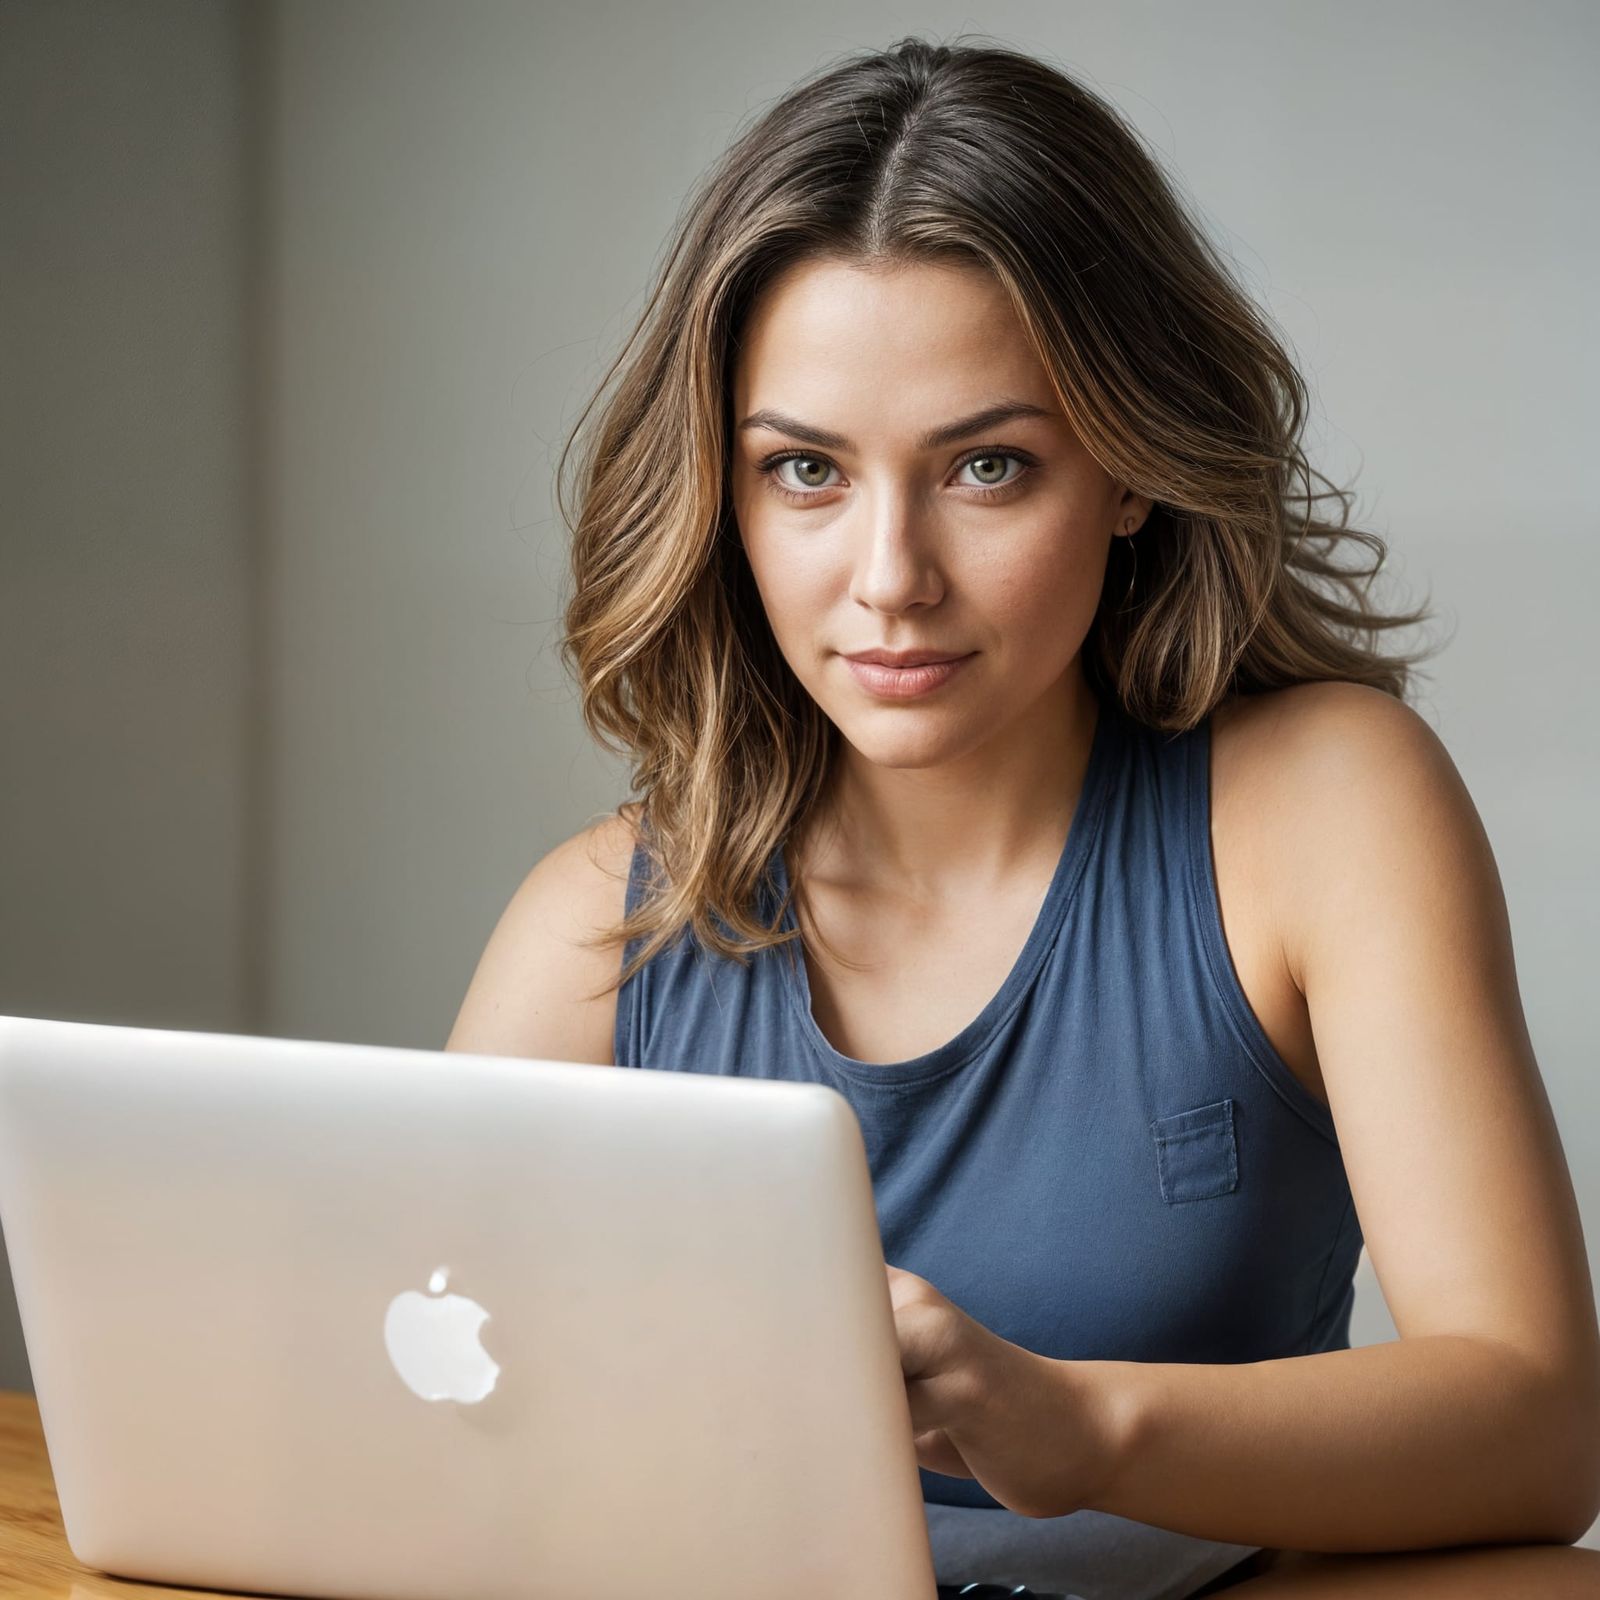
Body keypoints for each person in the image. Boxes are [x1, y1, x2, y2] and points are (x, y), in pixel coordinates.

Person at [446, 33, 1600, 1599]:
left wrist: (1086, 1427)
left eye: (987, 466)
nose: (889, 577)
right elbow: (417, 1440)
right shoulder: (598, 927)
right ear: (725, 496)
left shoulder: (1323, 809)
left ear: (1130, 469)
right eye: (806, 473)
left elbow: (1539, 1432)